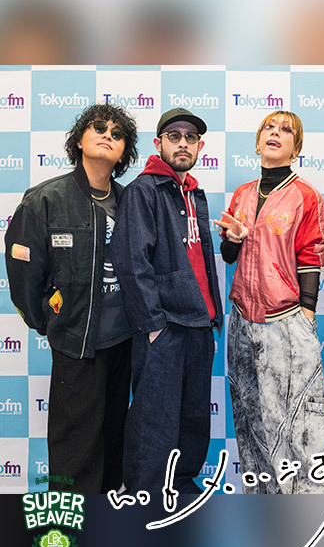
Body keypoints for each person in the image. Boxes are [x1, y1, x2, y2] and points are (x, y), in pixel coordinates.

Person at [5, 103, 139, 493]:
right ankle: (70, 526)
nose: (107, 135)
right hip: (77, 344)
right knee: (74, 452)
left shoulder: (130, 202)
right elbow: (23, 271)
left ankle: (108, 520)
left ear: (124, 153)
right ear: (79, 139)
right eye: (98, 127)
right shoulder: (45, 200)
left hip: (124, 343)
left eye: (117, 134)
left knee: (113, 445)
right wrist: (49, 321)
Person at [214, 110, 324, 494]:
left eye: (286, 130)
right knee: (251, 421)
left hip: (285, 320)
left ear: (295, 148)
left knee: (300, 425)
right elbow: (229, 256)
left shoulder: (305, 195)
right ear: (257, 142)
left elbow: (312, 257)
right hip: (242, 321)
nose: (275, 133)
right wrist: (233, 239)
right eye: (269, 127)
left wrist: (307, 314)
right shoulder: (243, 194)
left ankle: (313, 512)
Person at [110, 107, 223, 495]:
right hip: (165, 326)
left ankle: (183, 484)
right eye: (174, 136)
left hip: (200, 324)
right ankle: (145, 494)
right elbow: (131, 261)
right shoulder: (144, 191)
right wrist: (153, 324)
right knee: (154, 419)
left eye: (191, 137)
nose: (183, 143)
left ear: (200, 146)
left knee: (193, 416)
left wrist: (212, 316)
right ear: (159, 143)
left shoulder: (194, 193)